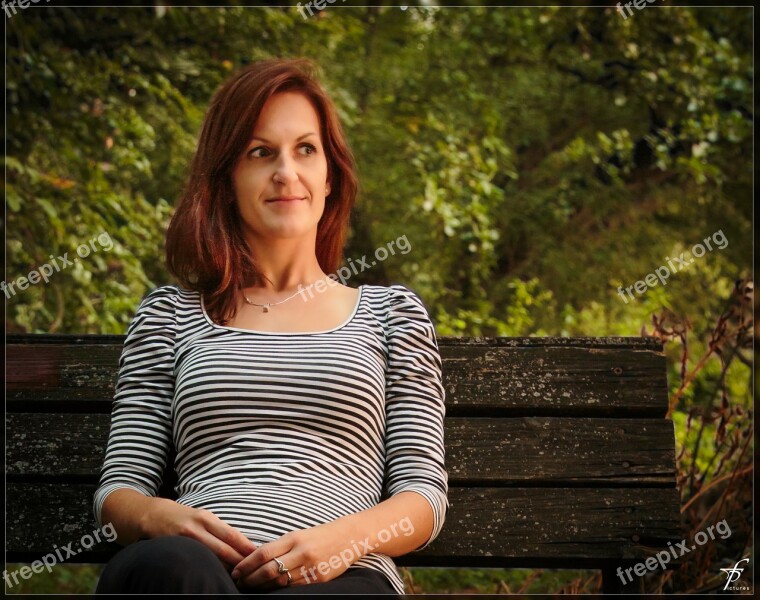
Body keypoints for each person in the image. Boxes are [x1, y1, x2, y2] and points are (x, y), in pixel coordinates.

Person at [92, 57, 448, 596]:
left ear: (330, 176)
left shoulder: (391, 316)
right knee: (170, 570)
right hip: (196, 572)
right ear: (227, 179)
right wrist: (160, 519)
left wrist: (344, 541)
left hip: (340, 577)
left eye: (305, 149)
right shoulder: (170, 315)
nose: (286, 171)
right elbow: (119, 491)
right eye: (261, 153)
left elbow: (422, 496)